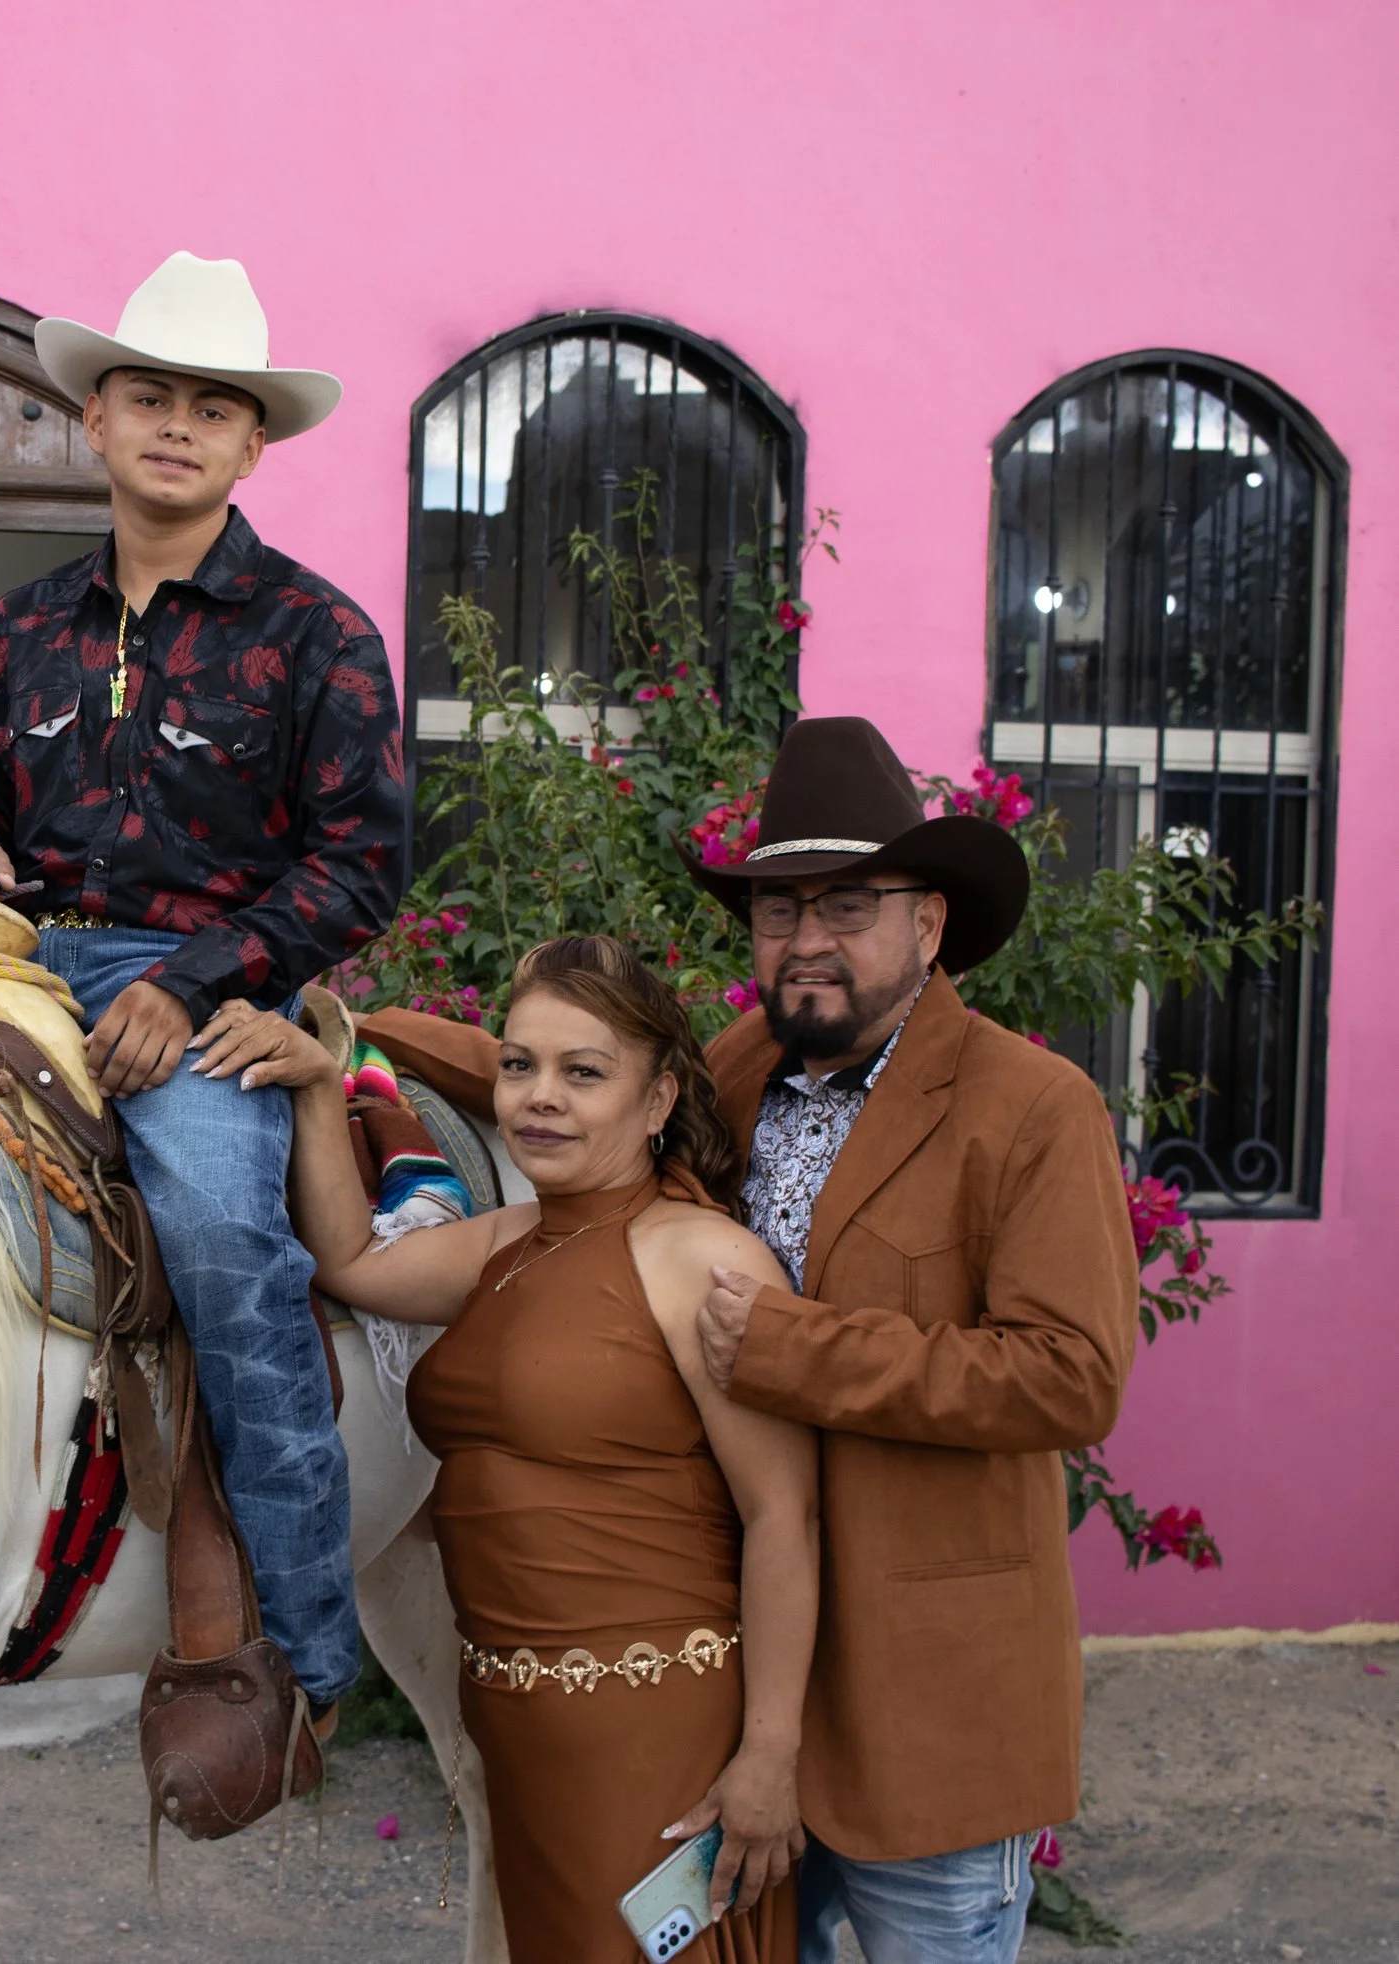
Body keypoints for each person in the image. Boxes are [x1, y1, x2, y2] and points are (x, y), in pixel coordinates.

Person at [0, 252, 405, 1728]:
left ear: (256, 443)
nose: (177, 424)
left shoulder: (317, 636)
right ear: (96, 422)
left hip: (204, 981)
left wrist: (194, 987)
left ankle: (311, 1652)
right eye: (148, 397)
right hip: (19, 958)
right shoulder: (15, 633)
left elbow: (361, 866)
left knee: (219, 1239)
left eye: (214, 406)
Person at [197, 936, 819, 1960]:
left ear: (657, 1098)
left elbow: (782, 1516)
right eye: (520, 1064)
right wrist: (319, 1085)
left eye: (583, 1072)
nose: (539, 1097)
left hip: (657, 1732)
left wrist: (770, 1752)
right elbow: (349, 1261)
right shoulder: (503, 1240)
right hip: (516, 1729)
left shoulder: (703, 1258)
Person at [681, 716, 1139, 1964]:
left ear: (927, 925)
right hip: (737, 1682)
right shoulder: (727, 1073)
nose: (807, 939)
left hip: (930, 1703)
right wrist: (358, 1053)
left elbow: (1070, 1373)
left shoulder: (1034, 1107)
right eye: (778, 909)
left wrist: (793, 1347)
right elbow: (562, 1098)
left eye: (846, 903)